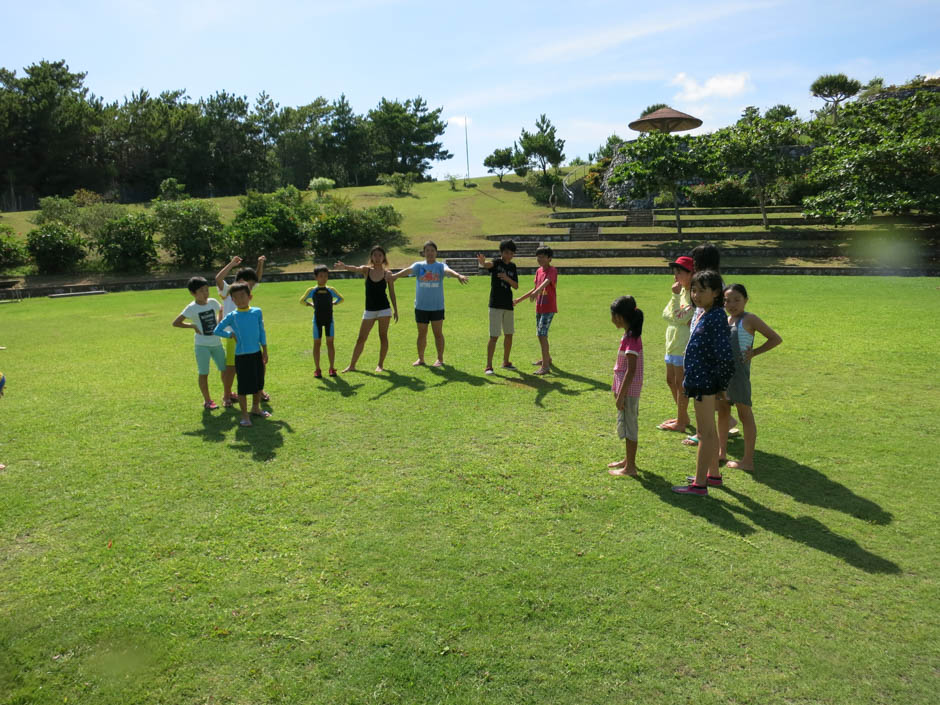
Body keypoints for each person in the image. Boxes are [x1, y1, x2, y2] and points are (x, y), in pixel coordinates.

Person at [672, 270, 735, 496]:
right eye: (694, 290)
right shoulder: (707, 314)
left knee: (705, 433)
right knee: (708, 430)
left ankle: (699, 484)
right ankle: (713, 475)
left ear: (716, 292)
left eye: (702, 291)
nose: (696, 295)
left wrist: (721, 386)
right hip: (700, 380)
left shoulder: (716, 317)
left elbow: (725, 356)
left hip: (705, 382)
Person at [718, 283, 783, 471]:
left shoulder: (750, 319)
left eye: (737, 300)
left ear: (746, 300)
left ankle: (747, 461)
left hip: (739, 376)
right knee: (722, 412)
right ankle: (721, 452)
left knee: (744, 415)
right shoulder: (726, 320)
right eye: (727, 300)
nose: (732, 304)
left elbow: (775, 338)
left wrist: (754, 352)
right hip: (723, 375)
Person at [388, 240, 468, 367]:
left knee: (438, 334)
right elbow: (408, 270)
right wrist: (395, 276)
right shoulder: (419, 266)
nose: (430, 253)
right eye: (427, 251)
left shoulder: (440, 266)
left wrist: (458, 275)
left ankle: (440, 359)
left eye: (432, 250)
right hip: (421, 307)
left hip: (437, 307)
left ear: (436, 252)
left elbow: (449, 271)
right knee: (421, 334)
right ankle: (421, 359)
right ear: (424, 253)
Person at [213, 283, 270, 427]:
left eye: (243, 296)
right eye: (236, 297)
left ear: (250, 297)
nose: (240, 299)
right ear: (232, 300)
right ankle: (244, 415)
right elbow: (217, 330)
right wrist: (230, 334)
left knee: (258, 383)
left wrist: (265, 350)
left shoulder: (257, 312)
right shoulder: (232, 316)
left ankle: (256, 408)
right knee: (243, 387)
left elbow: (261, 332)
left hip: (256, 354)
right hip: (242, 356)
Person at [335, 245, 398, 373]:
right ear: (371, 257)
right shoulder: (366, 270)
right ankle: (352, 365)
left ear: (384, 257)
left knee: (383, 336)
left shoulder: (388, 273)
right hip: (369, 310)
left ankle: (380, 365)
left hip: (384, 309)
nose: (377, 257)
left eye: (380, 255)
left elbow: (392, 292)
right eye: (375, 255)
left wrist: (396, 309)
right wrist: (344, 266)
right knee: (361, 338)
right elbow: (355, 268)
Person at [216, 255, 267, 406]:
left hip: (250, 336)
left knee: (258, 365)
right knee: (231, 367)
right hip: (233, 337)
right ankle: (226, 395)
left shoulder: (247, 290)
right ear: (241, 280)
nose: (251, 289)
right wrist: (231, 264)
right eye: (249, 284)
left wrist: (260, 264)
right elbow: (218, 278)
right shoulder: (229, 291)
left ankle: (259, 390)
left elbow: (257, 277)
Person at [172, 276, 226, 409]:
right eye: (201, 291)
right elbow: (176, 323)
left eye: (207, 290)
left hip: (217, 343)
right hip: (202, 346)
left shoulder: (212, 302)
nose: (205, 293)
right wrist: (192, 326)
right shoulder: (191, 308)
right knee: (204, 372)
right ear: (193, 293)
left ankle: (228, 395)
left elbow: (221, 309)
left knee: (225, 369)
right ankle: (208, 400)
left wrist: (219, 322)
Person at [657, 256, 694, 432]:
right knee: (670, 380)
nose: (676, 274)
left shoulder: (692, 294)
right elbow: (667, 314)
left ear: (691, 273)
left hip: (683, 344)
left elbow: (681, 316)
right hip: (672, 342)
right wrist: (676, 305)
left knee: (681, 383)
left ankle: (681, 421)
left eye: (680, 271)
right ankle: (683, 416)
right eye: (675, 271)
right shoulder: (681, 293)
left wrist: (675, 296)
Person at [608, 296, 644, 477]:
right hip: (626, 390)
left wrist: (621, 395)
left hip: (628, 391)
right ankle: (627, 460)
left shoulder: (632, 339)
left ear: (620, 317)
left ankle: (630, 467)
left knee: (630, 427)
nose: (611, 319)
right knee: (627, 423)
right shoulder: (629, 335)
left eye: (612, 315)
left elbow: (631, 371)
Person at [513, 246, 558, 375]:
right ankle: (547, 359)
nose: (540, 259)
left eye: (543, 256)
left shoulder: (552, 270)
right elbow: (535, 289)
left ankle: (545, 367)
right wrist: (519, 299)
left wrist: (538, 291)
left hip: (548, 308)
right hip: (539, 308)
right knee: (541, 334)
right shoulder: (538, 271)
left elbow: (547, 282)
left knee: (541, 334)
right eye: (538, 257)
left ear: (549, 258)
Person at [476, 240, 519, 374]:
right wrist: (483, 262)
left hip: (508, 305)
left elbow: (516, 286)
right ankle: (489, 366)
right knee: (494, 336)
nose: (509, 255)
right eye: (506, 252)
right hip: (495, 305)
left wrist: (507, 278)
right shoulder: (497, 262)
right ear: (501, 253)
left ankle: (506, 362)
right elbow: (488, 265)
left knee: (509, 334)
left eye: (511, 253)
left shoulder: (513, 266)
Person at [300, 265, 344, 378]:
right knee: (317, 344)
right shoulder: (312, 290)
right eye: (321, 276)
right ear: (316, 277)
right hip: (317, 321)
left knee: (330, 343)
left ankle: (331, 368)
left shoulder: (331, 290)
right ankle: (317, 369)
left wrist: (334, 303)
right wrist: (310, 304)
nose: (323, 278)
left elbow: (341, 298)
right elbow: (301, 300)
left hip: (329, 320)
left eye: (325, 276)